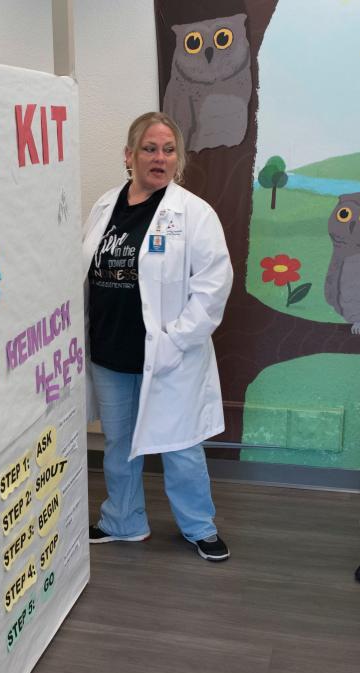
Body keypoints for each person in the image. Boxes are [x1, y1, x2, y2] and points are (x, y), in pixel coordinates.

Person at [83, 111, 233, 562]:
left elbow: (213, 288)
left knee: (181, 446)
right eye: (149, 148)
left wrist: (176, 340)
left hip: (168, 354)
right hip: (110, 350)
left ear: (178, 160)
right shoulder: (105, 205)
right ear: (129, 156)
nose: (159, 157)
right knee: (119, 444)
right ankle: (122, 521)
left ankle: (198, 527)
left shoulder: (194, 214)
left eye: (169, 150)